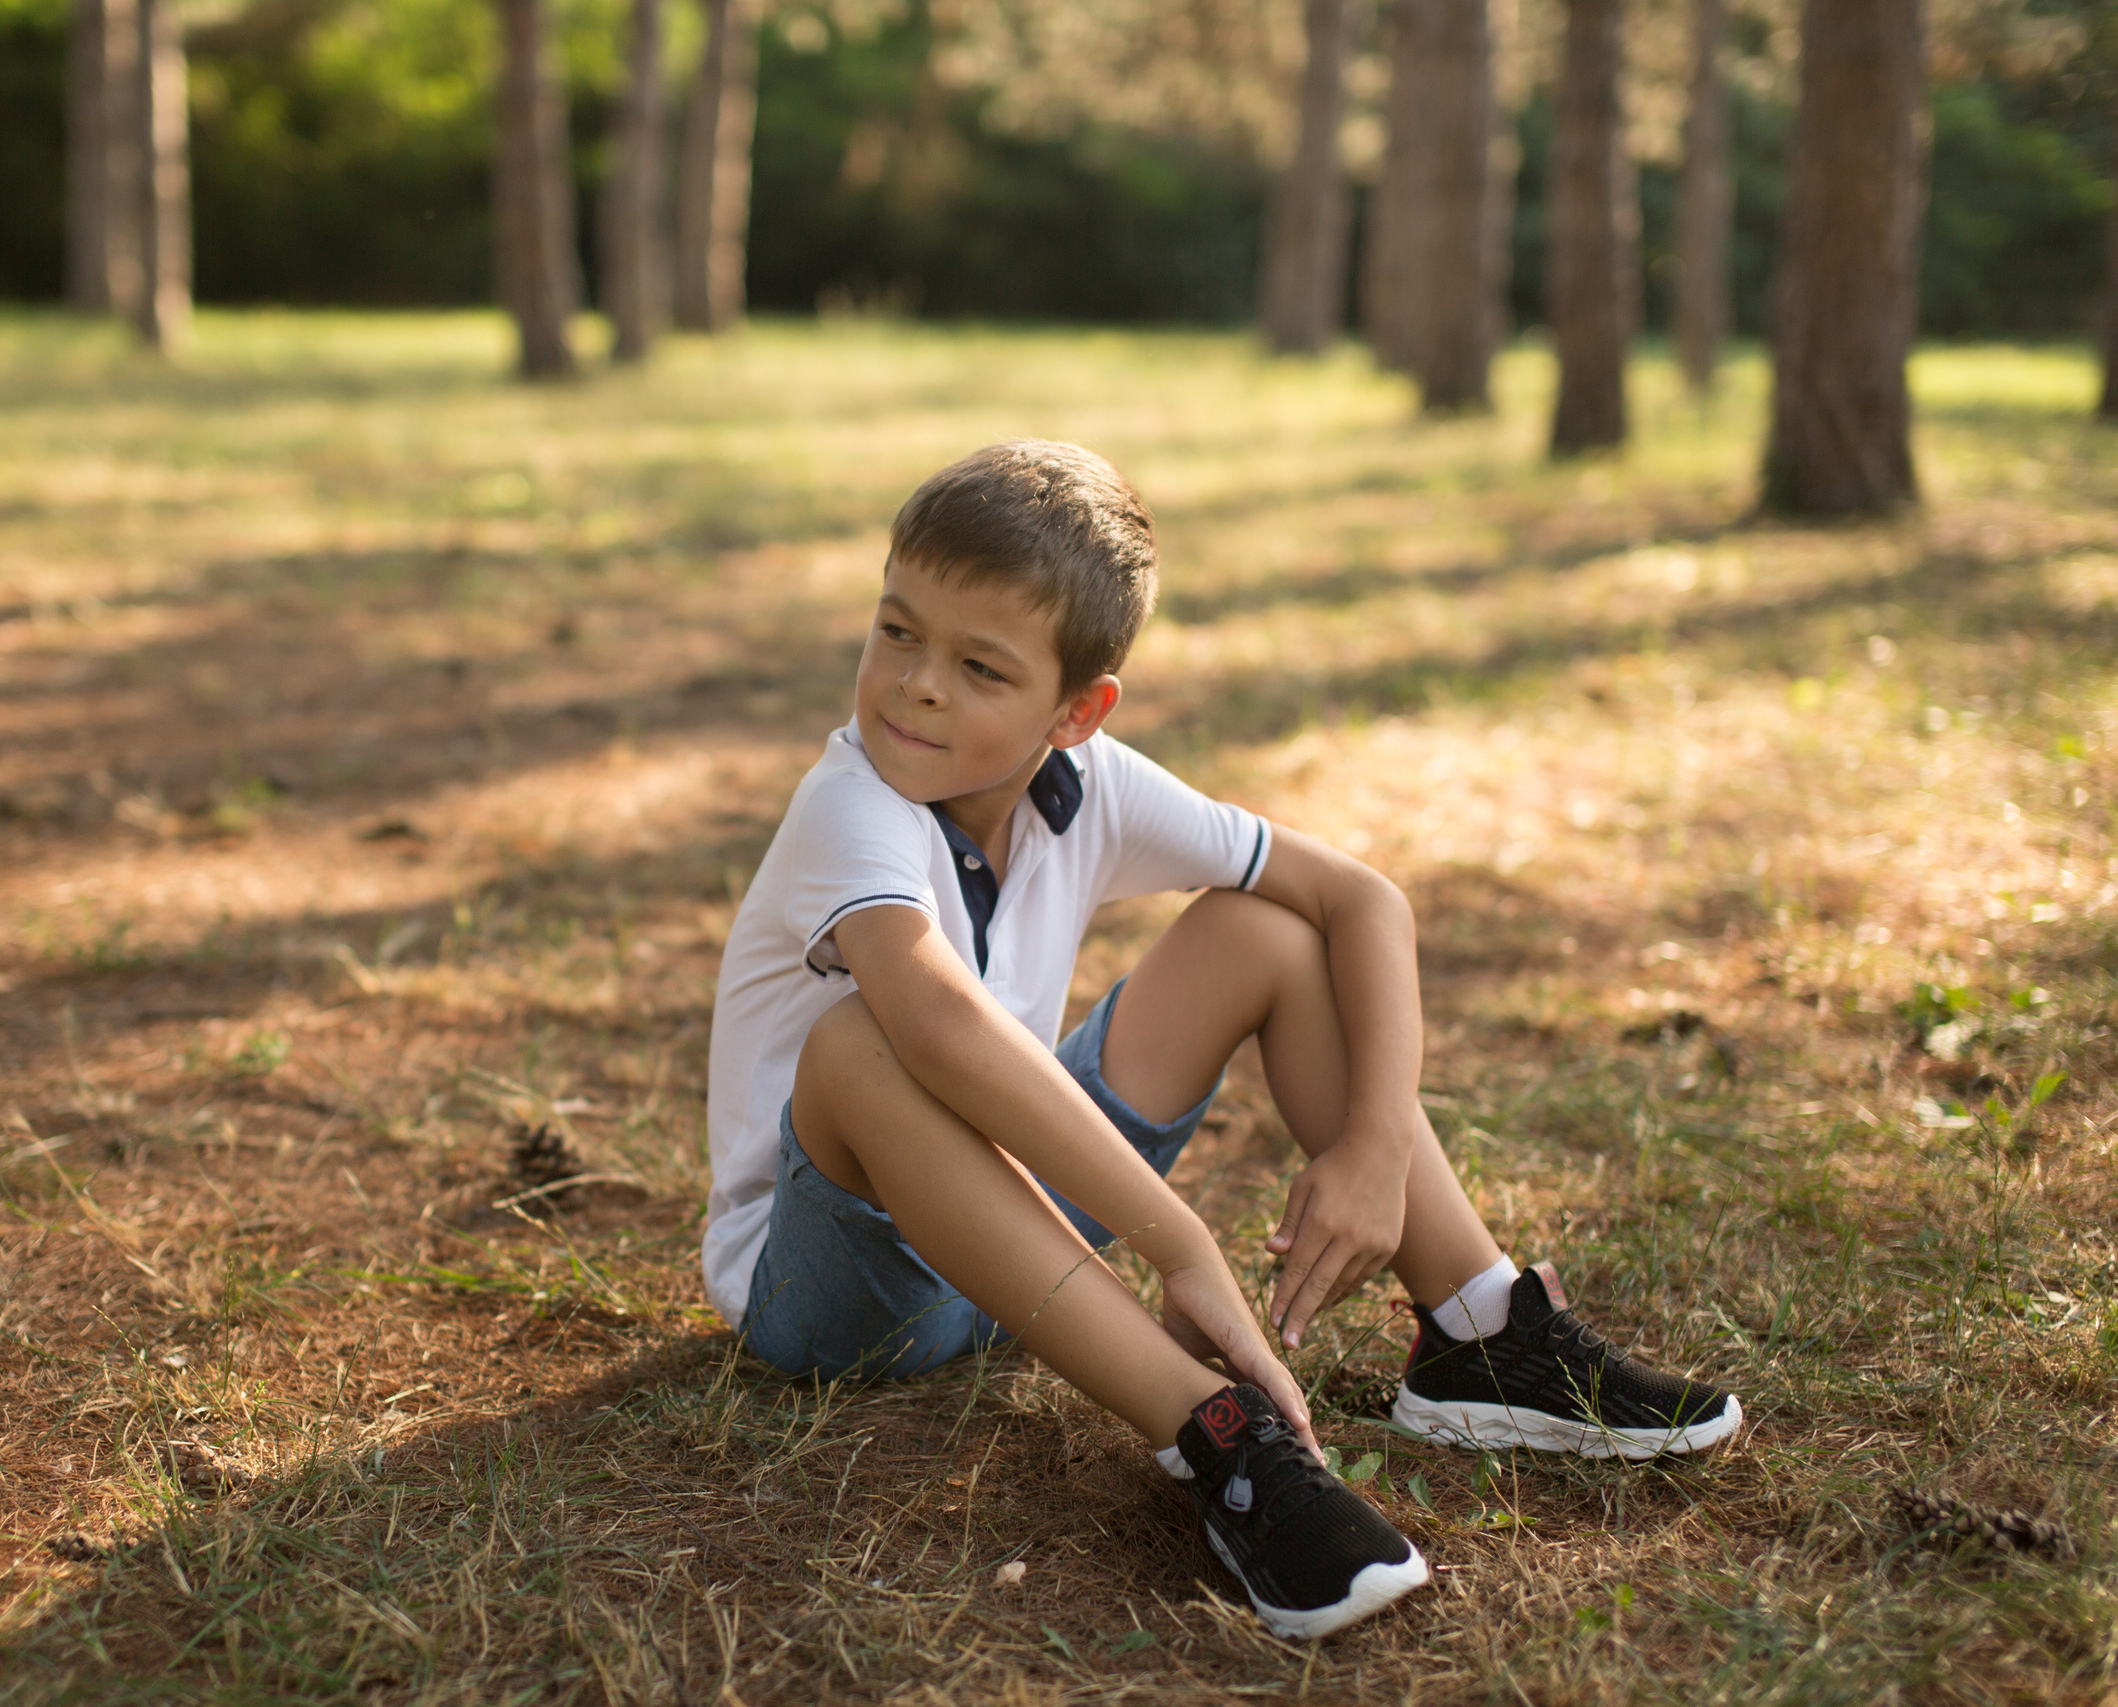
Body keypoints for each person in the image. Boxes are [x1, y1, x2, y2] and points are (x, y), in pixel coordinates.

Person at [702, 441, 1741, 1638]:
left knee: (1265, 932)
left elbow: (1364, 901)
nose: (917, 685)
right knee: (862, 1038)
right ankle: (1217, 1439)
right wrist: (1180, 1246)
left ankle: (1479, 1331)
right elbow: (935, 1029)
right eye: (896, 632)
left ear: (1076, 712)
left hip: (1013, 1228)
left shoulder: (1089, 786)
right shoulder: (852, 804)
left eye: (980, 667)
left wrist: (1373, 1150)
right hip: (833, 1289)